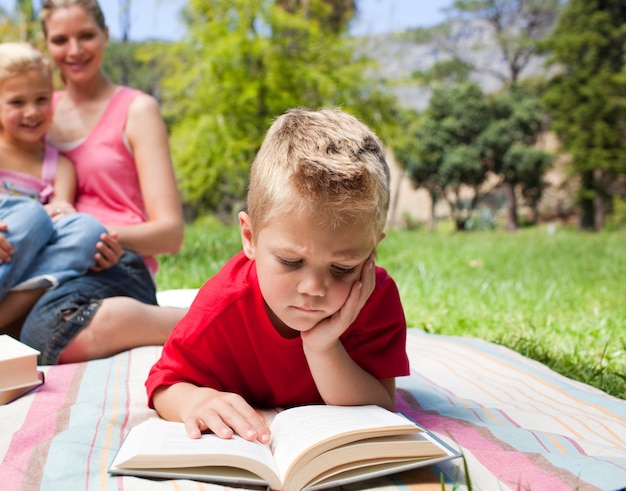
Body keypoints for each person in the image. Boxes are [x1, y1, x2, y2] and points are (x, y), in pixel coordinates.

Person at [146, 108, 410, 444]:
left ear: (372, 252)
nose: (314, 288)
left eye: (342, 268)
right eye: (290, 261)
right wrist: (196, 400)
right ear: (250, 238)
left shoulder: (374, 298)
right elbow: (164, 383)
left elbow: (379, 405)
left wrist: (322, 348)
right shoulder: (222, 306)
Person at [17, 0, 185, 364]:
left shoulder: (136, 110)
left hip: (116, 263)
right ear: (46, 43)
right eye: (61, 40)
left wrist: (101, 237)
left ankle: (184, 322)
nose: (74, 51)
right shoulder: (35, 110)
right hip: (49, 264)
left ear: (106, 36)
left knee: (44, 330)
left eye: (87, 36)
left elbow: (171, 234)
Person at [0, 42, 106, 327]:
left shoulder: (59, 166)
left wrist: (59, 211)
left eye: (41, 99)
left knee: (89, 230)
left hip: (28, 262)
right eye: (17, 102)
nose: (32, 111)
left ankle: (6, 316)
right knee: (29, 215)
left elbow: (63, 212)